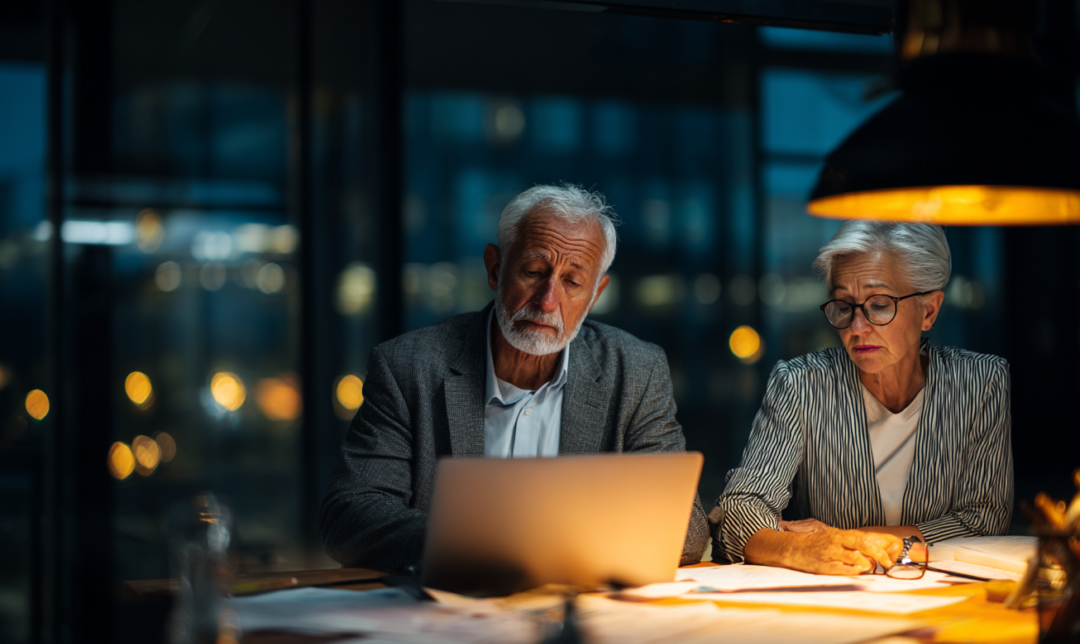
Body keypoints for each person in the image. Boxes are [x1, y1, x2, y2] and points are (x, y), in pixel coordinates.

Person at [320, 184, 709, 574]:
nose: (547, 301)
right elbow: (351, 514)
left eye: (572, 283)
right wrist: (486, 544)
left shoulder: (637, 370)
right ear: (495, 267)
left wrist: (548, 544)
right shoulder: (408, 366)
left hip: (580, 615)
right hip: (450, 613)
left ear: (595, 294)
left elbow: (688, 529)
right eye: (534, 272)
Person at [710, 221, 1012, 575]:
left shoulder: (980, 383)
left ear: (929, 311)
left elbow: (983, 523)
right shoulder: (801, 384)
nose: (856, 328)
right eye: (843, 306)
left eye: (880, 305)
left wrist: (845, 541)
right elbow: (737, 513)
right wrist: (799, 548)